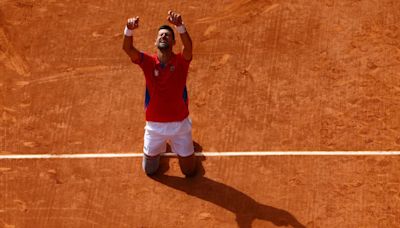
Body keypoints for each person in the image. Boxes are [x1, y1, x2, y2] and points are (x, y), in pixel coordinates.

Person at [122, 10, 196, 177]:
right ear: (155, 42)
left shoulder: (181, 62)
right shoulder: (147, 62)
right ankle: (164, 147)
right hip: (154, 127)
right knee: (150, 170)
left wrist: (180, 26)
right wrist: (129, 29)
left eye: (167, 35)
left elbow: (189, 47)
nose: (164, 36)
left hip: (180, 125)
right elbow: (127, 48)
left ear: (173, 42)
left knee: (190, 171)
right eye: (161, 35)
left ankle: (183, 147)